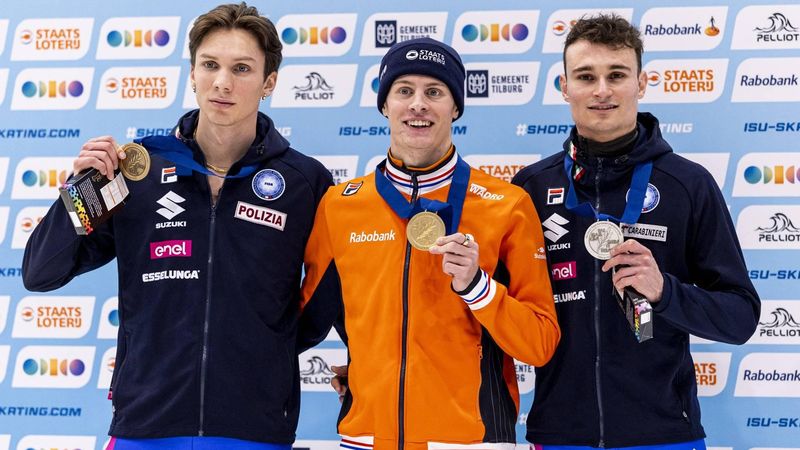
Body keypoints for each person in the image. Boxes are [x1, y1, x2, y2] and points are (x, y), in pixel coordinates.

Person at [22, 3, 332, 450]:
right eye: (210, 65)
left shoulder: (305, 182)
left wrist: (268, 353)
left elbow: (325, 299)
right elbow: (40, 272)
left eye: (241, 68)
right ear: (192, 73)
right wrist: (80, 191)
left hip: (254, 428)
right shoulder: (136, 171)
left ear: (269, 83)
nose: (222, 82)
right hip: (145, 425)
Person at [298, 37, 560, 450]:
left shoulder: (507, 205)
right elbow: (305, 321)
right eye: (404, 91)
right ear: (385, 105)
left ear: (455, 107)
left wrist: (478, 288)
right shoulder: (339, 205)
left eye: (434, 92)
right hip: (367, 438)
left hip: (473, 440)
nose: (418, 104)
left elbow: (539, 344)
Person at [512, 14, 760, 449]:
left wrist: (665, 292)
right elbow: (496, 311)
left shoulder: (688, 185)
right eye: (586, 76)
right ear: (564, 87)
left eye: (617, 75)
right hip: (559, 433)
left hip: (664, 434)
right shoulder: (529, 189)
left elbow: (740, 316)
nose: (602, 90)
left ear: (641, 83)